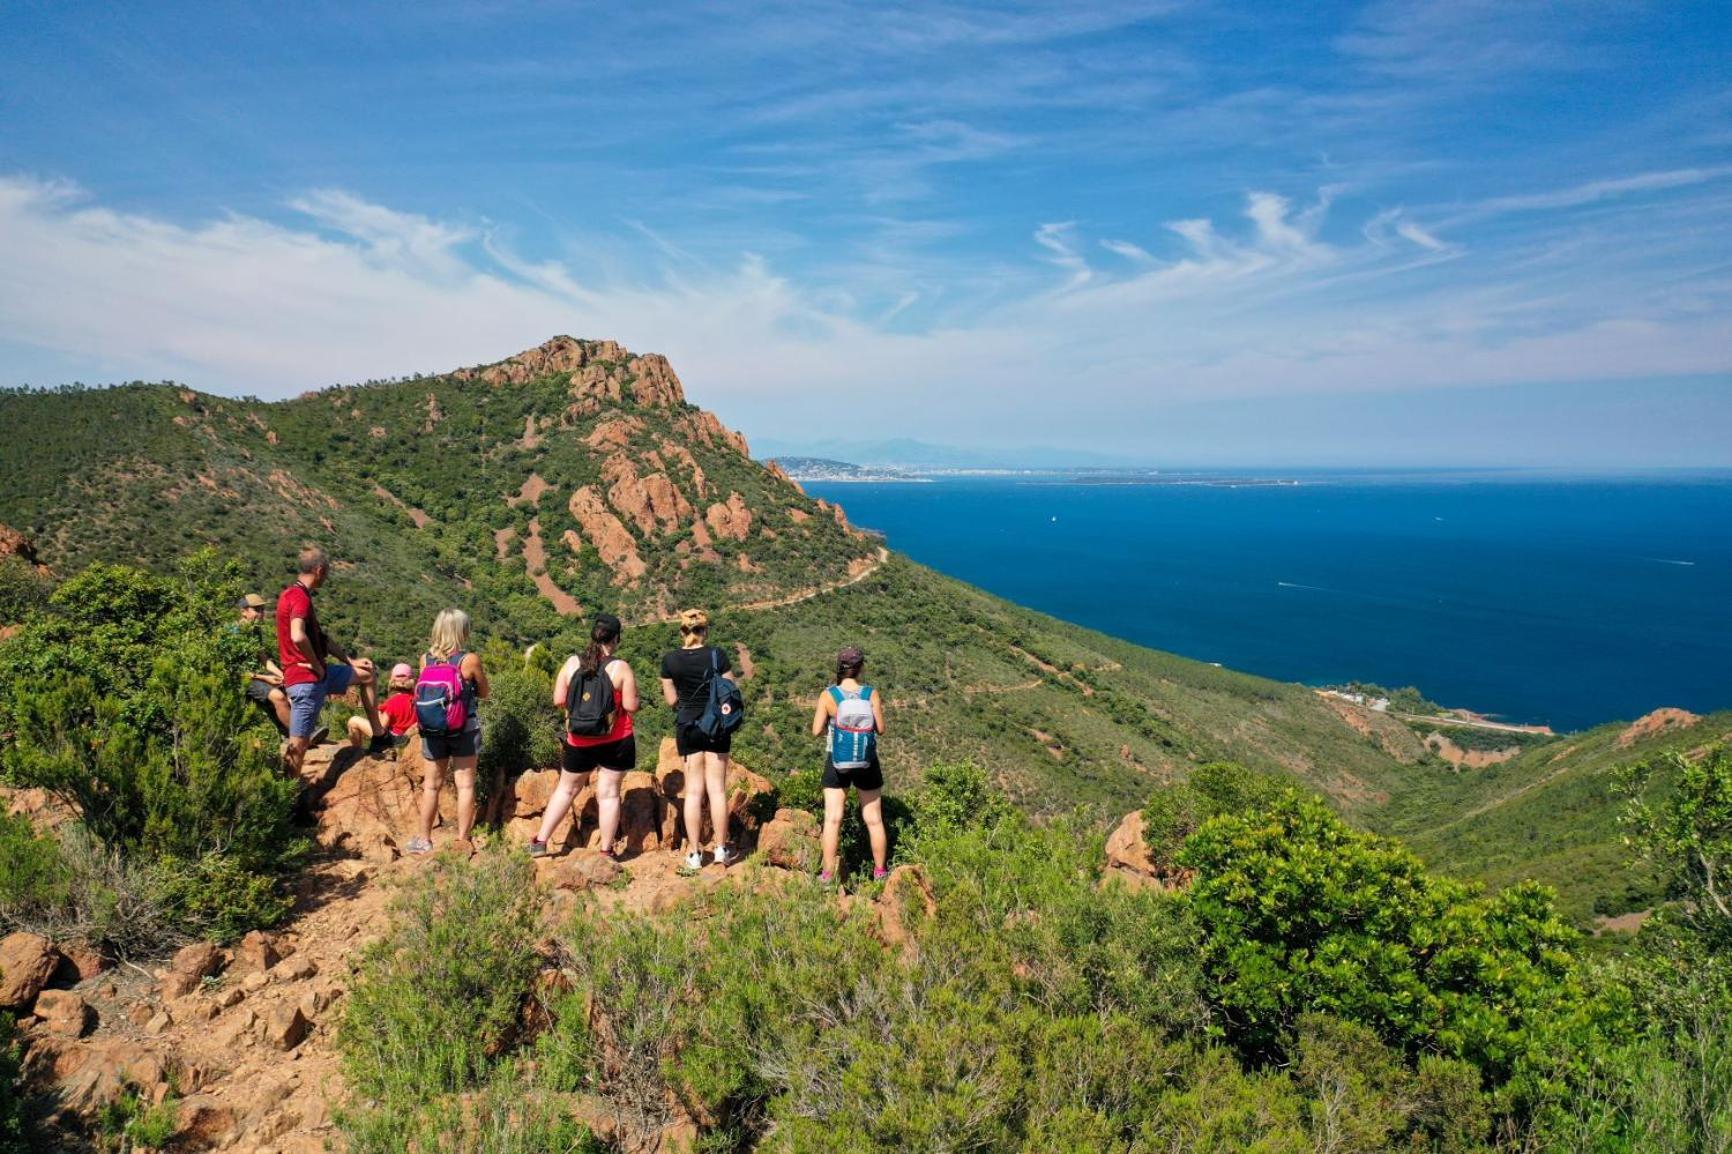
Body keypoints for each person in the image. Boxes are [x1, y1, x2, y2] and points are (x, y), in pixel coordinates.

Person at [529, 613, 639, 858]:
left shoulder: (571, 663)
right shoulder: (620, 667)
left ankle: (540, 841)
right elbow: (631, 706)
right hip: (616, 739)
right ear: (616, 638)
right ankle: (605, 851)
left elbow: (558, 699)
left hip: (579, 740)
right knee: (609, 793)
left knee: (566, 789)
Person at [277, 547, 386, 777]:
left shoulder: (292, 595)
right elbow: (298, 635)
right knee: (297, 747)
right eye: (325, 573)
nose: (325, 578)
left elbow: (322, 639)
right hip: (306, 679)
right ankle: (288, 802)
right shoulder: (299, 598)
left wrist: (350, 661)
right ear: (319, 570)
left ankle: (379, 735)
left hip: (319, 675)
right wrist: (316, 664)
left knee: (366, 675)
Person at [405, 609, 489, 855]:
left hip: (432, 729)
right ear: (463, 631)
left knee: (431, 786)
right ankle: (462, 841)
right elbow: (484, 693)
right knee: (465, 785)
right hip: (464, 729)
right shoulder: (468, 660)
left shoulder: (425, 660)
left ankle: (424, 840)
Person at [661, 609, 736, 871]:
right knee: (717, 789)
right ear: (705, 630)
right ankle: (720, 849)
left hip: (688, 727)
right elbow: (730, 692)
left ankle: (694, 853)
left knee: (693, 792)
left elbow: (671, 700)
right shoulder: (718, 656)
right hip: (716, 727)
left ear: (682, 631)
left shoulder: (670, 661)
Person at [809, 645, 888, 883]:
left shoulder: (829, 695)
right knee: (873, 819)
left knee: (833, 818)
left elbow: (815, 731)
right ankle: (880, 873)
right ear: (860, 667)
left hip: (837, 759)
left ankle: (827, 875)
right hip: (867, 760)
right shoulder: (870, 694)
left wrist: (833, 727)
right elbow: (881, 729)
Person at [235, 593, 296, 737]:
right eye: (257, 610)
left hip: (255, 674)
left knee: (293, 688)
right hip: (243, 677)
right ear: (244, 611)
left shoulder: (255, 631)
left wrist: (283, 676)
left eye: (262, 609)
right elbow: (235, 669)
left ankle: (304, 729)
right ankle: (298, 735)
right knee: (277, 696)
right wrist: (265, 678)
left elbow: (264, 659)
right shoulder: (234, 632)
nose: (261, 614)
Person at [346, 663, 417, 750]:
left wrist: (378, 712)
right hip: (410, 737)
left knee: (353, 721)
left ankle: (356, 751)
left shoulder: (392, 702)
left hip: (394, 739)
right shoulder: (418, 699)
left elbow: (381, 727)